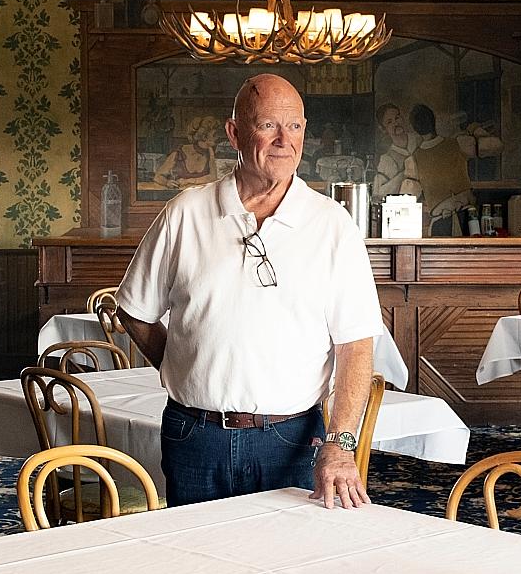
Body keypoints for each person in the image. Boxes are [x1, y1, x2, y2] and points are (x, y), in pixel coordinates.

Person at [116, 73, 382, 509]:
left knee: (290, 569)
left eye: (294, 126)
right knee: (196, 564)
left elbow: (355, 347)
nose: (284, 140)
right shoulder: (186, 212)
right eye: (267, 126)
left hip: (293, 438)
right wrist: (179, 362)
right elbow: (133, 309)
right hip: (193, 434)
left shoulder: (332, 224)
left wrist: (340, 445)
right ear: (234, 133)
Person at [409, 103, 473, 235]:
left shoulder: (414, 158)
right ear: (434, 121)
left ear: (415, 128)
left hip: (447, 219)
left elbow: (412, 192)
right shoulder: (457, 143)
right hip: (467, 217)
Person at [152, 113, 220, 189]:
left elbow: (213, 178)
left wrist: (188, 181)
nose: (218, 137)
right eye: (215, 134)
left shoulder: (210, 153)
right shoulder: (180, 152)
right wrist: (167, 182)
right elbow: (158, 177)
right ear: (204, 136)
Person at [372, 103, 422, 200]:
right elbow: (378, 193)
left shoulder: (419, 140)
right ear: (383, 129)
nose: (396, 123)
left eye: (397, 118)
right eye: (390, 122)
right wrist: (404, 174)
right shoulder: (387, 159)